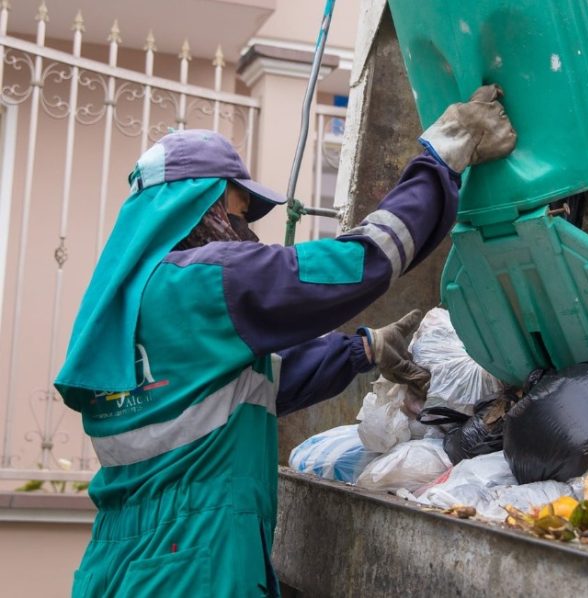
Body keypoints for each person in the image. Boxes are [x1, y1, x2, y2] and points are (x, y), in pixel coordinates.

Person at [55, 85, 515, 597]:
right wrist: (444, 152)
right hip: (193, 562)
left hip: (119, 564)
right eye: (238, 204)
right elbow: (366, 258)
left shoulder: (125, 308)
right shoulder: (206, 280)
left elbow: (231, 393)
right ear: (198, 200)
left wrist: (362, 350)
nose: (244, 224)